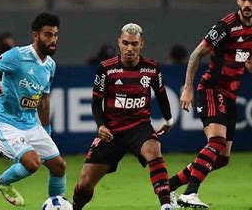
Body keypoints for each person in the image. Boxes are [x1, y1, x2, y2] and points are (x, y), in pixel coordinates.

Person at [168, 0, 252, 208]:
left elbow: (250, 61)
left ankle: (168, 186)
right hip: (212, 90)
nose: (246, 4)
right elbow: (196, 54)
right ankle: (190, 193)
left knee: (222, 158)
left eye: (251, 0)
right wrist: (187, 87)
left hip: (230, 96)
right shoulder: (225, 26)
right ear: (237, 1)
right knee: (216, 141)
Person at [72, 23, 175, 210]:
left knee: (153, 148)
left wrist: (168, 120)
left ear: (141, 44)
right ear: (119, 42)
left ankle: (166, 205)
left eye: (134, 44)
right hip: (112, 131)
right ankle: (74, 208)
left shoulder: (152, 69)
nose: (129, 48)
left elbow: (161, 94)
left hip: (139, 126)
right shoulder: (106, 69)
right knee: (85, 183)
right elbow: (96, 102)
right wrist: (101, 125)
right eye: (126, 43)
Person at [0, 13, 66, 206]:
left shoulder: (50, 65)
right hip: (5, 122)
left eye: (55, 35)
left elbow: (44, 100)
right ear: (36, 35)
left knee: (59, 166)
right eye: (48, 35)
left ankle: (56, 204)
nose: (53, 40)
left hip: (31, 123)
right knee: (32, 163)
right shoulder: (17, 55)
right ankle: (3, 181)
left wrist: (46, 130)